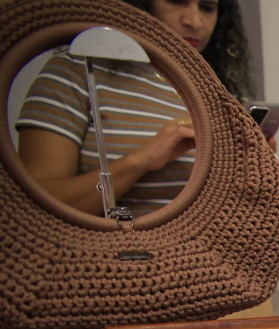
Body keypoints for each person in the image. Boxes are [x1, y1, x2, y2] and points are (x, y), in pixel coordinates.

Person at [16, 0, 258, 218]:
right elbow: (32, 207)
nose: (194, 21)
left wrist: (252, 164)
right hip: (106, 254)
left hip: (205, 253)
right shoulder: (78, 71)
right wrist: (143, 160)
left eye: (207, 7)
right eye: (176, 1)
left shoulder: (216, 92)